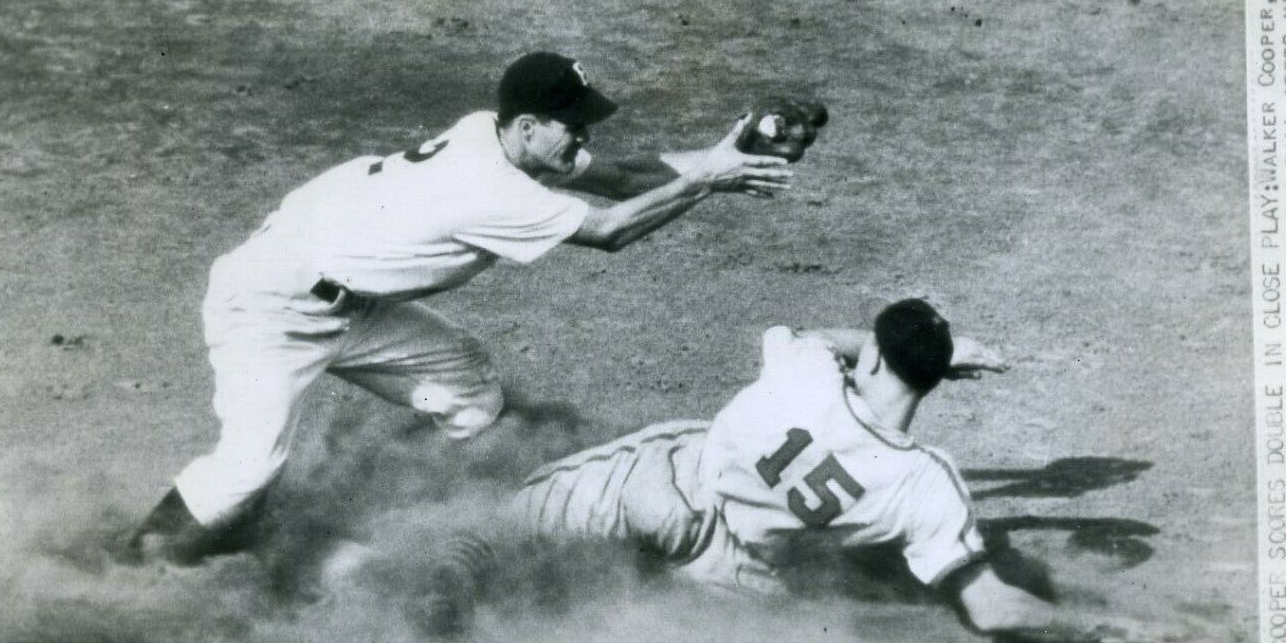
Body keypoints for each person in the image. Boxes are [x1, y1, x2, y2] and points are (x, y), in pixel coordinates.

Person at [127, 51, 793, 563]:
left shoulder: (493, 134)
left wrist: (720, 156)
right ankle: (132, 570)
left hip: (350, 303)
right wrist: (708, 182)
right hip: (271, 305)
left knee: (470, 388)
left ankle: (426, 528)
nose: (584, 139)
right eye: (575, 125)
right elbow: (611, 230)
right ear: (528, 127)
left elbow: (618, 177)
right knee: (249, 467)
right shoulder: (489, 188)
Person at [428, 298, 1167, 643]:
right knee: (648, 638)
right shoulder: (927, 484)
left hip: (665, 488)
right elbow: (997, 611)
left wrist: (940, 345)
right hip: (740, 577)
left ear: (871, 357)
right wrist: (1101, 626)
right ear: (934, 381)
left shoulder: (810, 366)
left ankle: (421, 604)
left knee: (496, 531)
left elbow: (815, 335)